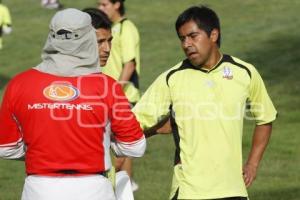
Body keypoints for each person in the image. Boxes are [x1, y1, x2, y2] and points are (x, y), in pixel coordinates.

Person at [133, 6, 277, 200]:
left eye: (193, 36)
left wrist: (252, 163)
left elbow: (265, 118)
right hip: (188, 191)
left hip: (233, 190)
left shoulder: (244, 72)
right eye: (182, 38)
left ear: (213, 35)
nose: (187, 44)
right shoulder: (172, 78)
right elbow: (134, 121)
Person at [0, 8, 146, 200]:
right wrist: (103, 144)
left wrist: (42, 150)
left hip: (38, 189)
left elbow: (5, 147)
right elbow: (135, 146)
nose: (107, 48)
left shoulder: (18, 84)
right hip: (94, 190)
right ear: (87, 39)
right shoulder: (107, 86)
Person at [98, 0, 141, 191]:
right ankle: (122, 187)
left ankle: (124, 186)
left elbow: (130, 64)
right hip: (109, 95)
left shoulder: (127, 28)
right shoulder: (110, 29)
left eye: (104, 4)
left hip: (124, 95)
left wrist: (116, 92)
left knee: (122, 149)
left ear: (117, 4)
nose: (101, 8)